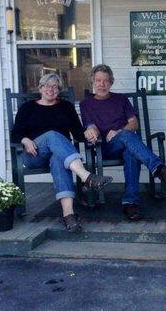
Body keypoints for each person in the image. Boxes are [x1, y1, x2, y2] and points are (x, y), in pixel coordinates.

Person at [11, 73, 112, 233]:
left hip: (60, 155)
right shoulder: (28, 107)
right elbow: (15, 133)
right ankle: (86, 176)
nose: (50, 89)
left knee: (59, 160)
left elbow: (78, 133)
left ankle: (69, 215)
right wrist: (25, 140)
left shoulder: (66, 107)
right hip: (34, 154)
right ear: (40, 88)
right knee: (52, 134)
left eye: (55, 87)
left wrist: (89, 131)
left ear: (59, 90)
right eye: (46, 86)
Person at [80, 64, 166, 221]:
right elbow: (90, 125)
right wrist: (92, 131)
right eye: (98, 80)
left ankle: (130, 203)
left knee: (130, 151)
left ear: (111, 82)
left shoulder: (121, 99)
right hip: (106, 147)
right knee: (128, 136)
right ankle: (159, 168)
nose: (102, 84)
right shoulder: (86, 104)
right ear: (92, 81)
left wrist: (118, 131)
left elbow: (134, 123)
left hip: (127, 144)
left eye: (106, 81)